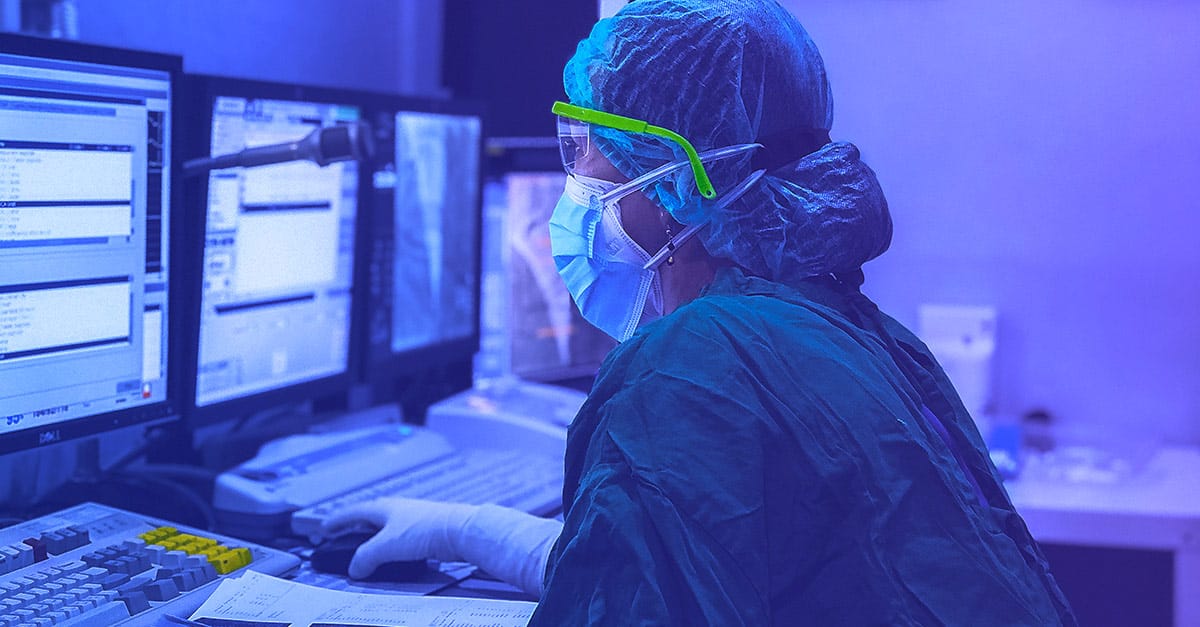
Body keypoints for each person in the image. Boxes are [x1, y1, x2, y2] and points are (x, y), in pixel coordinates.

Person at [324, 1, 1077, 624]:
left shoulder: (690, 367)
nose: (575, 178)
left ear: (674, 176)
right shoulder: (846, 328)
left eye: (585, 149)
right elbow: (700, 566)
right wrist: (473, 529)